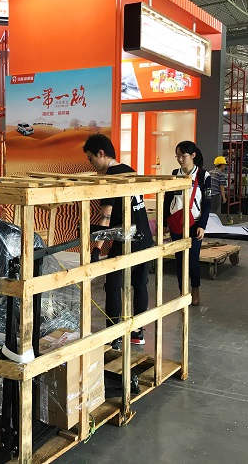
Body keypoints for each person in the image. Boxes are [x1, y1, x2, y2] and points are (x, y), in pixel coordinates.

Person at [83, 134, 154, 347]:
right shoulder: (129, 169)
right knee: (140, 284)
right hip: (144, 236)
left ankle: (113, 335)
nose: (91, 164)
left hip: (127, 239)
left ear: (101, 153)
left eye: (91, 158)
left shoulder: (111, 177)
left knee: (113, 285)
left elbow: (106, 216)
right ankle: (137, 333)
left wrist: (96, 249)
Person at [164, 141, 211, 306]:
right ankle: (182, 291)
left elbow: (207, 203)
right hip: (177, 223)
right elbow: (167, 200)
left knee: (192, 260)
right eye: (177, 156)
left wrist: (202, 225)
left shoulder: (203, 175)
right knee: (179, 260)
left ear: (193, 155)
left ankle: (195, 289)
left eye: (183, 156)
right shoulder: (174, 174)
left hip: (194, 224)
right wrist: (165, 222)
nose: (180, 159)